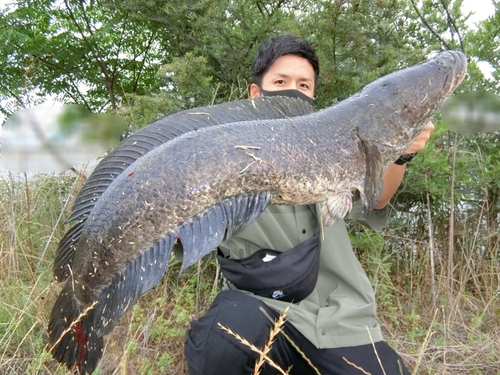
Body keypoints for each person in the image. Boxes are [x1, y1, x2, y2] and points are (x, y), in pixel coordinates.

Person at [184, 34, 434, 375]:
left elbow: (377, 200)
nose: (292, 90)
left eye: (304, 84)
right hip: (258, 309)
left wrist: (401, 153)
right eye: (280, 81)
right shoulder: (226, 151)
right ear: (256, 93)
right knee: (221, 343)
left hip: (342, 319)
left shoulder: (340, 145)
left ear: (313, 95)